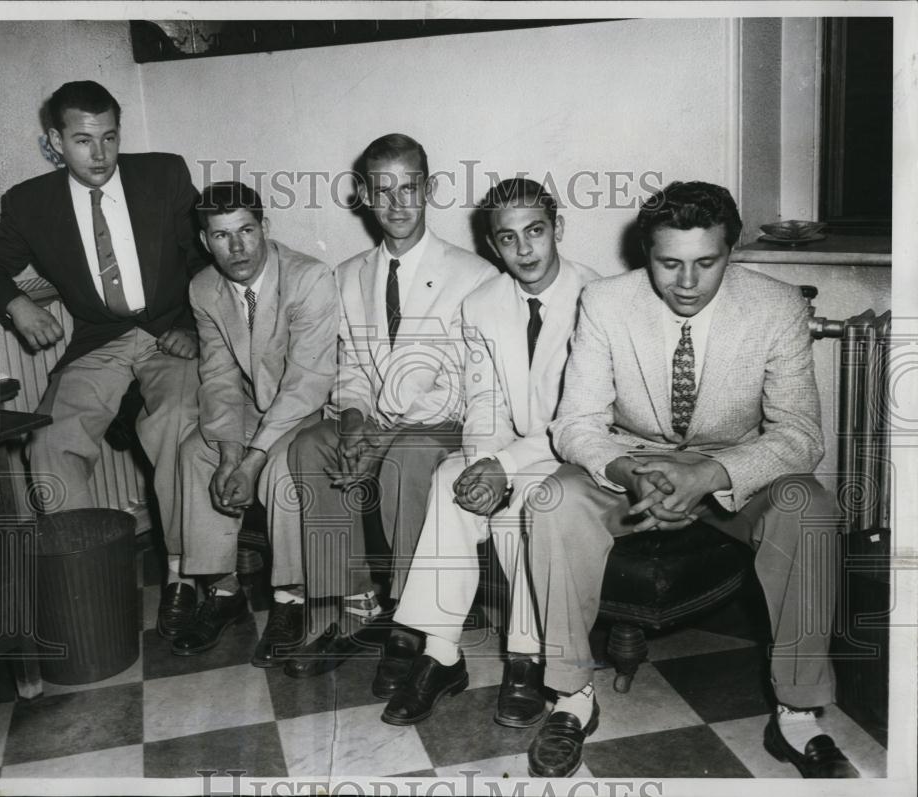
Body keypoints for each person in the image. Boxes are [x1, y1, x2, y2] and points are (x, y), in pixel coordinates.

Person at [522, 180, 858, 779]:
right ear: (645, 253)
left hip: (735, 473)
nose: (686, 283)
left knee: (809, 507)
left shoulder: (777, 306)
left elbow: (801, 436)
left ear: (732, 253)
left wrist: (711, 474)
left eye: (707, 263)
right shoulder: (604, 301)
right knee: (552, 499)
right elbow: (575, 424)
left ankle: (797, 715)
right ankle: (572, 696)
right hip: (635, 466)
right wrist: (630, 472)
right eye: (668, 263)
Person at [0, 80, 207, 634]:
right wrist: (18, 305)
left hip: (171, 332)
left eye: (110, 138)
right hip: (100, 340)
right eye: (83, 141)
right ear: (54, 142)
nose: (100, 155)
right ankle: (85, 585)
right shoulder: (30, 203)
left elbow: (203, 258)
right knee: (49, 441)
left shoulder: (164, 175)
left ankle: (183, 577)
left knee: (175, 425)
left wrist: (191, 327)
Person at [377, 178, 600, 728]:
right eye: (508, 238)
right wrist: (483, 465)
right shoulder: (481, 305)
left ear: (558, 230)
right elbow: (485, 403)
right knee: (454, 478)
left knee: (528, 498)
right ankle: (442, 652)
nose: (524, 250)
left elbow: (579, 420)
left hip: (579, 452)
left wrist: (505, 468)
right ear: (492, 245)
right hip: (511, 449)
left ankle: (524, 657)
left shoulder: (598, 298)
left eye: (536, 232)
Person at [283, 133, 495, 678]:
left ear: (430, 190)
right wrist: (353, 419)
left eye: (409, 189)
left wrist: (380, 438)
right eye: (383, 191)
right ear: (364, 196)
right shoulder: (349, 275)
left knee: (410, 458)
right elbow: (350, 366)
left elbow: (460, 383)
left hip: (441, 424)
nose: (397, 205)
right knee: (311, 444)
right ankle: (349, 605)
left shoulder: (474, 275)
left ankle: (410, 619)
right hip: (374, 419)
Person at [170, 182, 339, 660]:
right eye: (222, 236)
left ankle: (291, 600)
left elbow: (307, 382)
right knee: (194, 452)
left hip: (307, 411)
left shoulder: (310, 277)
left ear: (265, 228)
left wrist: (252, 460)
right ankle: (224, 592)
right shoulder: (203, 287)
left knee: (284, 467)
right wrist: (228, 453)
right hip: (250, 409)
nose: (237, 247)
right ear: (206, 242)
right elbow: (218, 376)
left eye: (246, 230)